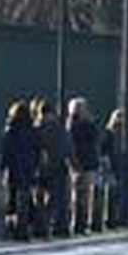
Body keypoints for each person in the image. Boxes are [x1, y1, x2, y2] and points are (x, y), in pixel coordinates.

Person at [0, 100, 41, 240]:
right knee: (26, 195)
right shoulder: (32, 130)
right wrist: (36, 165)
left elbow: (6, 151)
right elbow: (37, 150)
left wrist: (3, 167)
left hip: (13, 168)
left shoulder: (10, 130)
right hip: (28, 167)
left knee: (12, 199)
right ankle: (26, 225)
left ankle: (12, 226)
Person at [33, 98, 71, 238]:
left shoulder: (36, 128)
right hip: (57, 166)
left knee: (40, 198)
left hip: (40, 168)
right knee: (56, 198)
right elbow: (67, 146)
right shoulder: (59, 127)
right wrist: (71, 161)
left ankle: (41, 225)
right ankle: (55, 224)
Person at [66, 98, 99, 235]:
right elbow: (94, 139)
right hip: (85, 163)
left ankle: (77, 222)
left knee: (76, 195)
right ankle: (82, 223)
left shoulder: (70, 124)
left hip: (76, 163)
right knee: (84, 196)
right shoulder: (86, 124)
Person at [100, 109, 128, 228]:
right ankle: (111, 218)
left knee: (122, 192)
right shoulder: (108, 133)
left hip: (122, 165)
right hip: (112, 166)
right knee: (112, 193)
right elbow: (104, 149)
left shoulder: (126, 134)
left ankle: (120, 216)